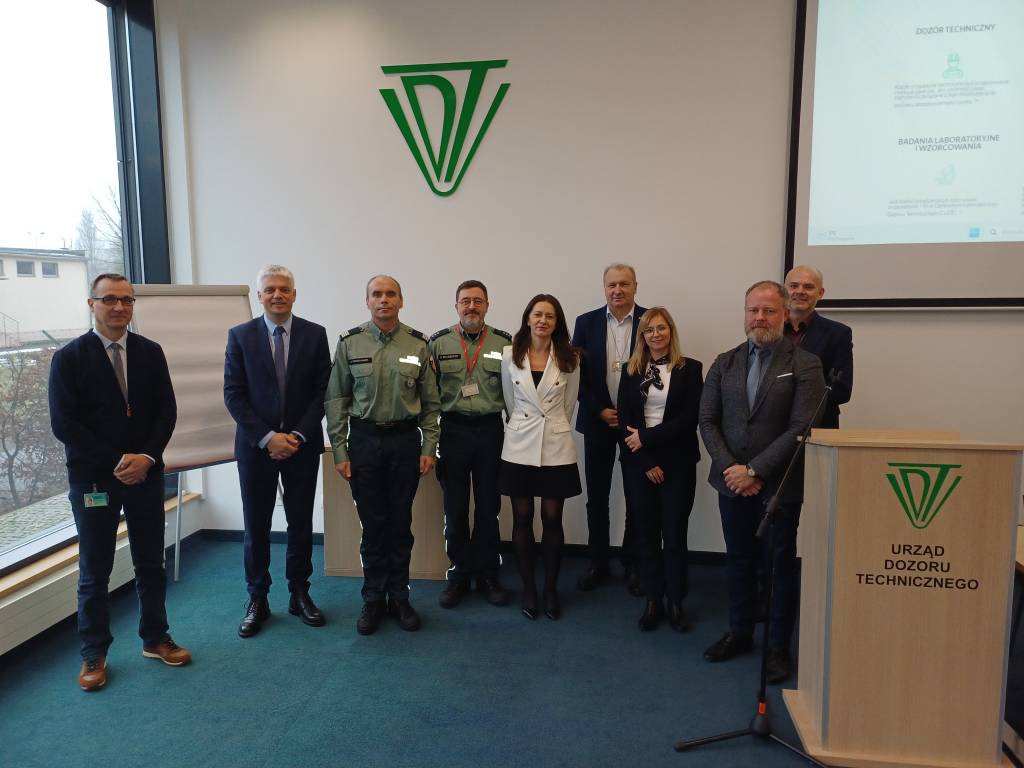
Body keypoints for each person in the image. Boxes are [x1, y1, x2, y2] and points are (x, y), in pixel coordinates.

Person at [48, 273, 190, 691]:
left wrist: (146, 458)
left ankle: (156, 638)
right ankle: (94, 653)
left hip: (145, 474)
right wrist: (116, 461)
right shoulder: (69, 358)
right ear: (91, 303)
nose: (119, 307)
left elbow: (166, 411)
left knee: (151, 562)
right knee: (95, 570)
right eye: (109, 299)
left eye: (127, 300)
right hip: (94, 480)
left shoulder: (150, 352)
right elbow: (64, 424)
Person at [698, 280, 824, 684]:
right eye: (753, 310)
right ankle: (739, 632)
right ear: (745, 313)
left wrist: (754, 471)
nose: (760, 318)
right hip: (730, 483)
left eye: (769, 310)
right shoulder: (725, 362)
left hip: (778, 486)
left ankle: (777, 648)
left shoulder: (805, 364)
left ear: (785, 314)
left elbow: (801, 427)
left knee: (778, 567)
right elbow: (707, 421)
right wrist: (733, 470)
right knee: (738, 560)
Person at [325, 275, 440, 635]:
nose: (384, 300)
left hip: (405, 442)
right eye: (377, 294)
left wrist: (429, 447)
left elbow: (431, 404)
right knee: (373, 526)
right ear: (368, 301)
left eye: (391, 294)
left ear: (401, 301)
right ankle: (373, 598)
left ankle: (400, 597)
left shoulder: (419, 344)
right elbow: (336, 400)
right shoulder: (350, 342)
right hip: (365, 442)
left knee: (400, 524)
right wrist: (340, 449)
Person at [224, 265, 331, 637]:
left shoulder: (315, 335)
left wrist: (296, 436)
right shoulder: (240, 336)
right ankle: (258, 598)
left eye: (284, 289)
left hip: (302, 446)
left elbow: (323, 392)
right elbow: (234, 395)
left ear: (294, 294)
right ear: (259, 296)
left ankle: (299, 593)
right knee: (256, 525)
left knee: (300, 522)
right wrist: (269, 437)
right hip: (256, 448)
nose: (277, 295)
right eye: (270, 289)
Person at [617, 308, 703, 633]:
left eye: (661, 328)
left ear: (671, 331)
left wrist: (648, 439)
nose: (656, 334)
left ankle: (676, 601)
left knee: (675, 534)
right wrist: (647, 461)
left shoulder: (690, 369)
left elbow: (689, 419)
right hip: (640, 465)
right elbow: (625, 421)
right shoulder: (631, 370)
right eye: (649, 329)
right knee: (647, 533)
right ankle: (653, 599)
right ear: (642, 335)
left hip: (678, 464)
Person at [429, 280, 511, 609]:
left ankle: (488, 573)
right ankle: (460, 573)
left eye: (478, 301)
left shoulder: (505, 343)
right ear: (456, 306)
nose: (472, 306)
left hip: (491, 431)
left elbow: (515, 392)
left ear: (487, 305)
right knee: (455, 508)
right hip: (453, 431)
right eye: (465, 301)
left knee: (489, 508)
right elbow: (428, 395)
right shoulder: (438, 343)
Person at [499, 294, 581, 621]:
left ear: (557, 322)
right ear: (528, 319)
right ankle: (528, 588)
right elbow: (509, 400)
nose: (543, 321)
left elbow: (569, 403)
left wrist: (553, 427)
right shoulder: (510, 354)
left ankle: (550, 588)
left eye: (549, 316)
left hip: (556, 445)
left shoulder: (570, 357)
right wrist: (524, 424)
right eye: (538, 315)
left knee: (552, 519)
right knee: (522, 518)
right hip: (519, 443)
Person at [571, 264, 648, 594]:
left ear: (635, 287)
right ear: (604, 288)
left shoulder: (649, 321)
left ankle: (632, 564)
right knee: (597, 496)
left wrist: (631, 414)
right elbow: (575, 376)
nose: (618, 290)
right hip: (598, 421)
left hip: (636, 425)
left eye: (624, 284)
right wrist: (599, 410)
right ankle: (597, 562)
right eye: (612, 284)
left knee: (636, 496)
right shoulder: (586, 323)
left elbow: (660, 370)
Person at [784, 265, 853, 428]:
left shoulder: (838, 334)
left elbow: (841, 390)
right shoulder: (767, 329)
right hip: (771, 429)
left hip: (817, 426)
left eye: (808, 287)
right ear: (784, 291)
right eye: (793, 286)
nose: (800, 291)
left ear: (820, 293)